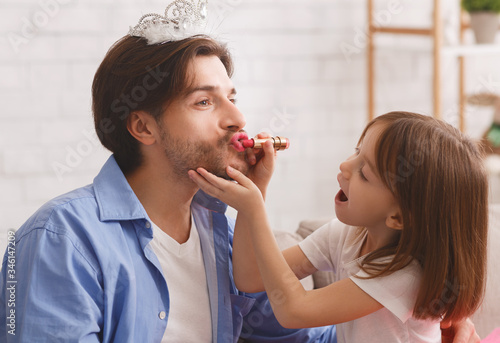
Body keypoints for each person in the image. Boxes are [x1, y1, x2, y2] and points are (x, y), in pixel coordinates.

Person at [0, 4, 480, 341]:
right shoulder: (60, 240)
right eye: (205, 102)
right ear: (142, 125)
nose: (237, 120)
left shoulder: (217, 228)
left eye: (233, 97)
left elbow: (294, 325)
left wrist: (427, 324)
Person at [189, 111, 488, 343]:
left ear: (398, 218)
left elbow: (295, 310)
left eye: (364, 173)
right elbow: (250, 279)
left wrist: (255, 210)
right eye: (357, 152)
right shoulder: (347, 233)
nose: (345, 166)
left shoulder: (404, 275)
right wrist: (257, 189)